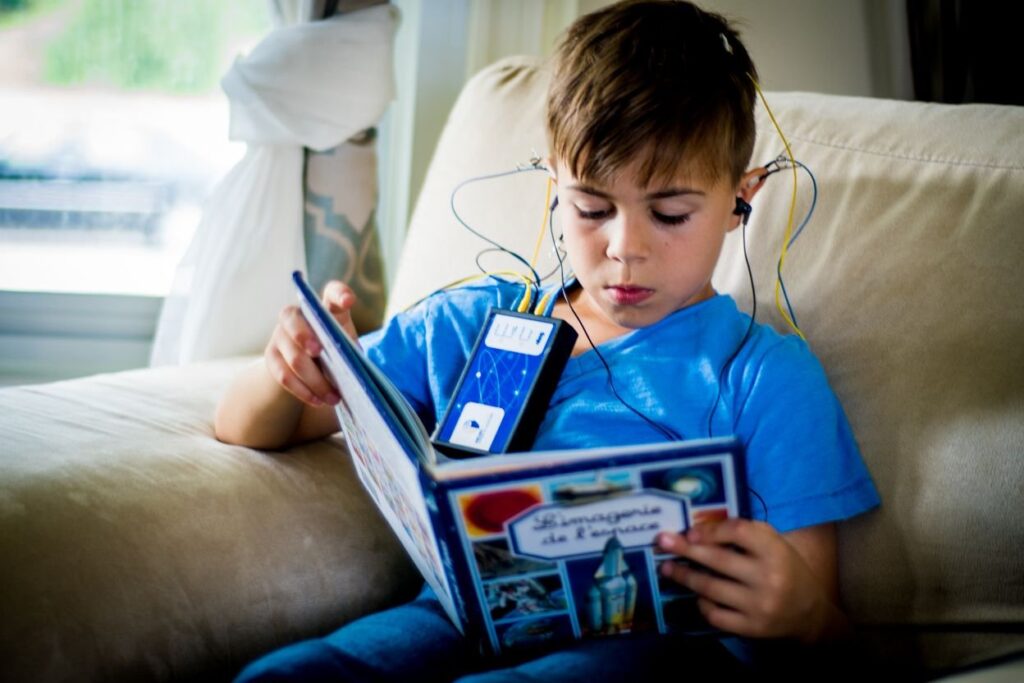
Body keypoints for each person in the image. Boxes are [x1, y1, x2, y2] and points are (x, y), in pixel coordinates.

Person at [215, 1, 880, 679]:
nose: (626, 249)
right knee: (293, 674)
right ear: (553, 187)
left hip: (649, 651)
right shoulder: (472, 324)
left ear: (741, 200)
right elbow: (252, 425)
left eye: (672, 213)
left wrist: (802, 615)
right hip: (449, 620)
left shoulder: (762, 374)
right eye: (592, 208)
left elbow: (821, 624)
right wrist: (289, 365)